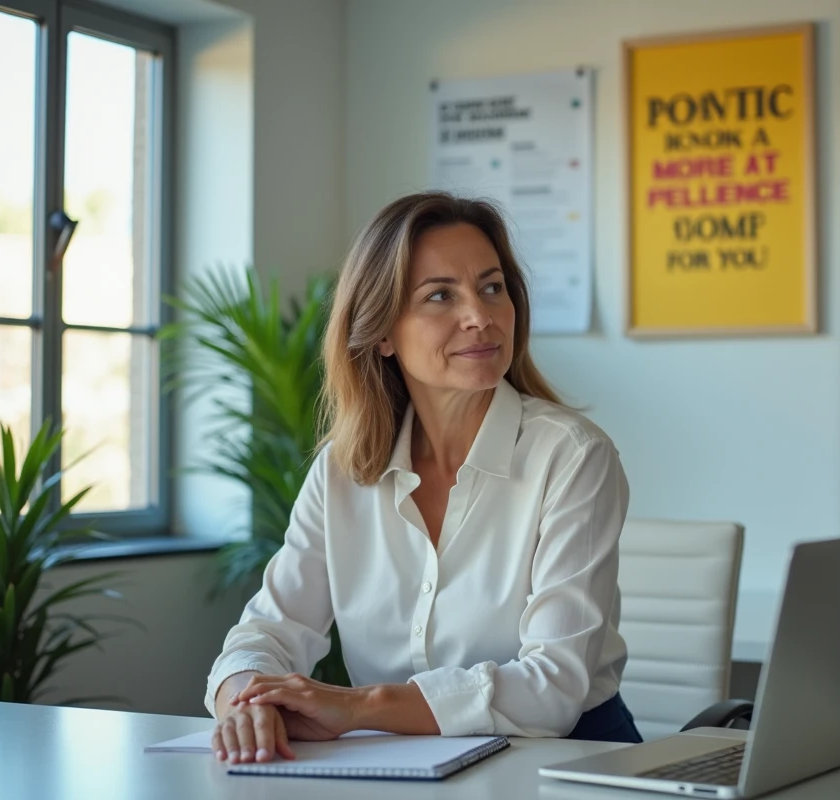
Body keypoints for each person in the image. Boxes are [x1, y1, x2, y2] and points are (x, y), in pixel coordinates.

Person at [207, 192, 639, 765]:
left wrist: (360, 707)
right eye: (441, 295)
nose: (481, 316)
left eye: (493, 288)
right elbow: (270, 629)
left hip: (569, 762)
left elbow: (552, 689)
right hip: (404, 766)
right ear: (382, 333)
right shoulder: (342, 470)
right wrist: (249, 701)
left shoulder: (573, 456)